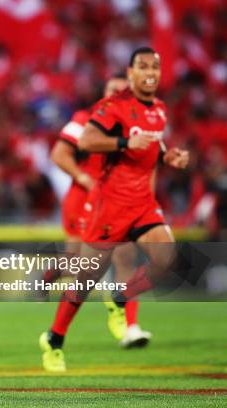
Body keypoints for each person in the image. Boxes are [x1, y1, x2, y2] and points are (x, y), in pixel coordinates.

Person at [40, 47, 189, 371]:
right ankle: (54, 337)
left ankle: (121, 296)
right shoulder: (112, 106)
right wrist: (122, 143)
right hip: (109, 203)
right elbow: (87, 142)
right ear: (131, 73)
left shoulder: (160, 110)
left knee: (166, 257)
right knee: (85, 277)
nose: (150, 72)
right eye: (143, 67)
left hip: (143, 203)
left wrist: (168, 157)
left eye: (155, 67)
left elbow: (151, 146)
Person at [49, 76, 151, 349]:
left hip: (119, 200)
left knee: (125, 254)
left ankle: (129, 324)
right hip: (84, 199)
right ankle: (49, 279)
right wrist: (85, 180)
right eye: (112, 91)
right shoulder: (86, 119)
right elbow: (59, 154)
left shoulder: (138, 126)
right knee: (80, 264)